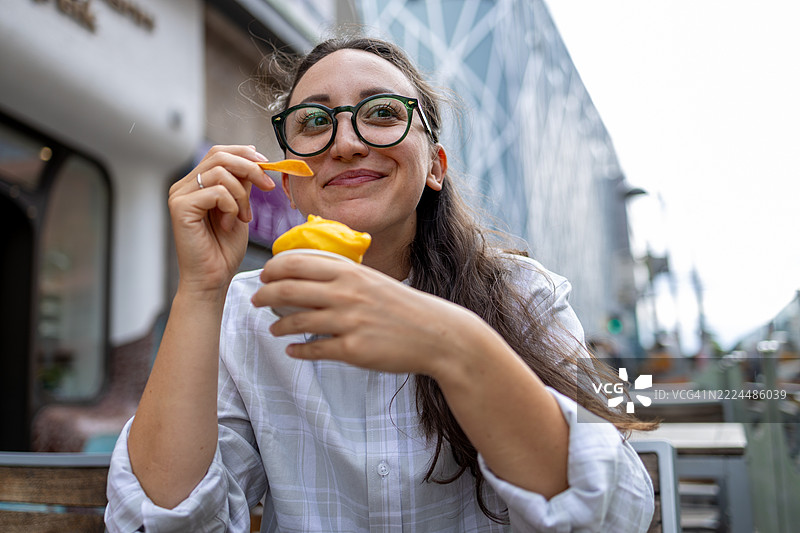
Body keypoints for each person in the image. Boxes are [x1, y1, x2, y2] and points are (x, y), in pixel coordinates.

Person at [105, 35, 655, 532]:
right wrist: (201, 289)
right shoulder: (248, 311)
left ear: (435, 167)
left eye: (382, 113)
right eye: (314, 122)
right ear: (293, 186)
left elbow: (614, 515)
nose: (344, 142)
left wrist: (456, 344)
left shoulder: (522, 294)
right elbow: (158, 522)